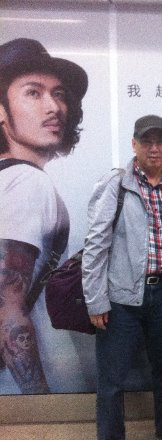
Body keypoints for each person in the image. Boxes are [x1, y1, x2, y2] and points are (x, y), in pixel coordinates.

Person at [82, 115, 162, 440]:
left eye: (160, 141)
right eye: (146, 141)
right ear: (134, 144)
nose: (154, 148)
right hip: (120, 299)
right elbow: (95, 244)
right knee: (112, 381)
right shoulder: (116, 185)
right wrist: (96, 300)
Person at [0, 38, 87, 394]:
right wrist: (38, 399)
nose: (53, 107)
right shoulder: (27, 182)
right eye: (33, 93)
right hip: (33, 377)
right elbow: (7, 304)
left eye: (59, 94)